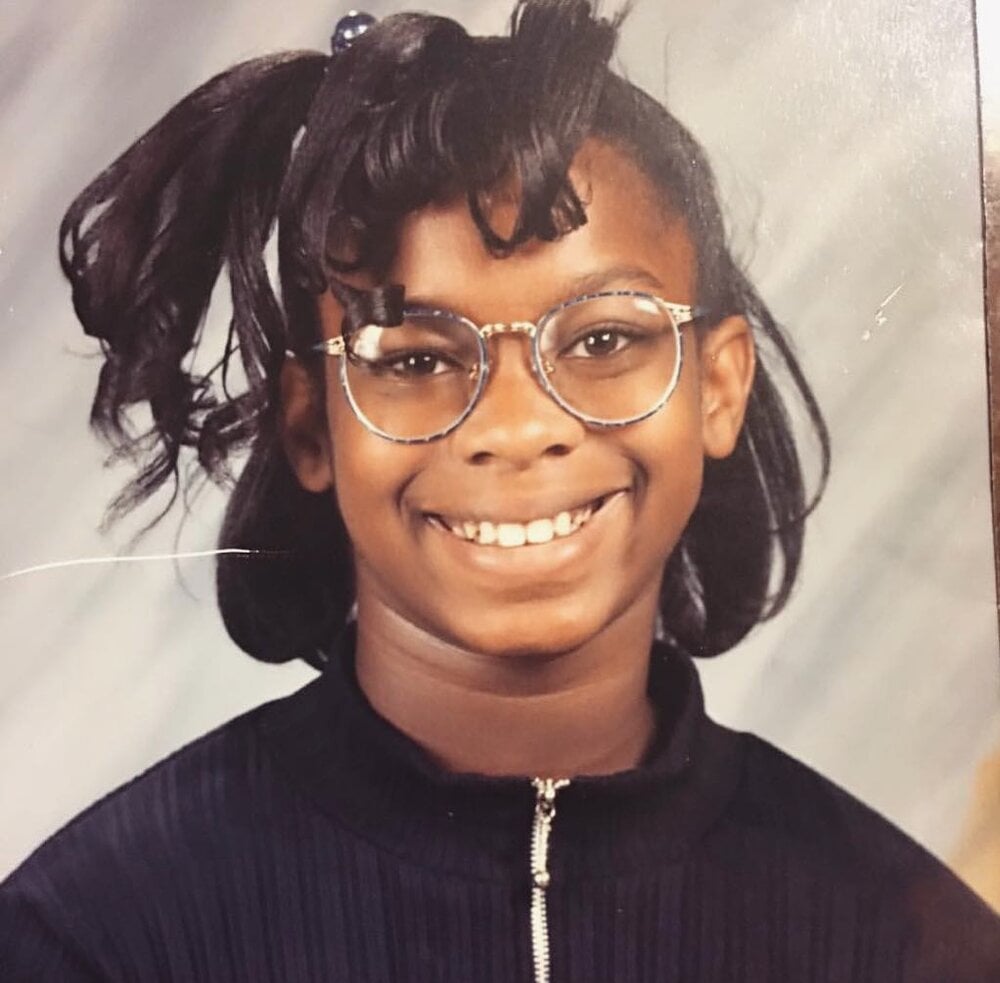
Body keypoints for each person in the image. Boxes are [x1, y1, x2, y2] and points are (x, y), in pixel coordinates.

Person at [1, 1, 998, 980]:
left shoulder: (902, 943)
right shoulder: (94, 938)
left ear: (718, 388)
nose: (517, 428)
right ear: (311, 425)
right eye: (415, 358)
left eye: (603, 339)